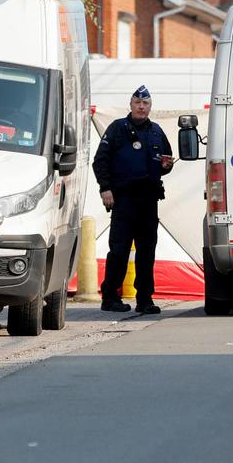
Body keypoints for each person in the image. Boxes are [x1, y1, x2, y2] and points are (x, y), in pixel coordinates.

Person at [93, 85, 174, 314]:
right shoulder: (118, 128)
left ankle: (145, 299)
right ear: (131, 105)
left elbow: (164, 162)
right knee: (119, 251)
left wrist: (166, 166)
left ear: (150, 107)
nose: (141, 106)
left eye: (145, 103)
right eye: (137, 102)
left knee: (147, 251)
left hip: (148, 201)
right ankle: (110, 297)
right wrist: (105, 189)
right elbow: (100, 161)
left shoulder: (156, 131)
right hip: (124, 199)